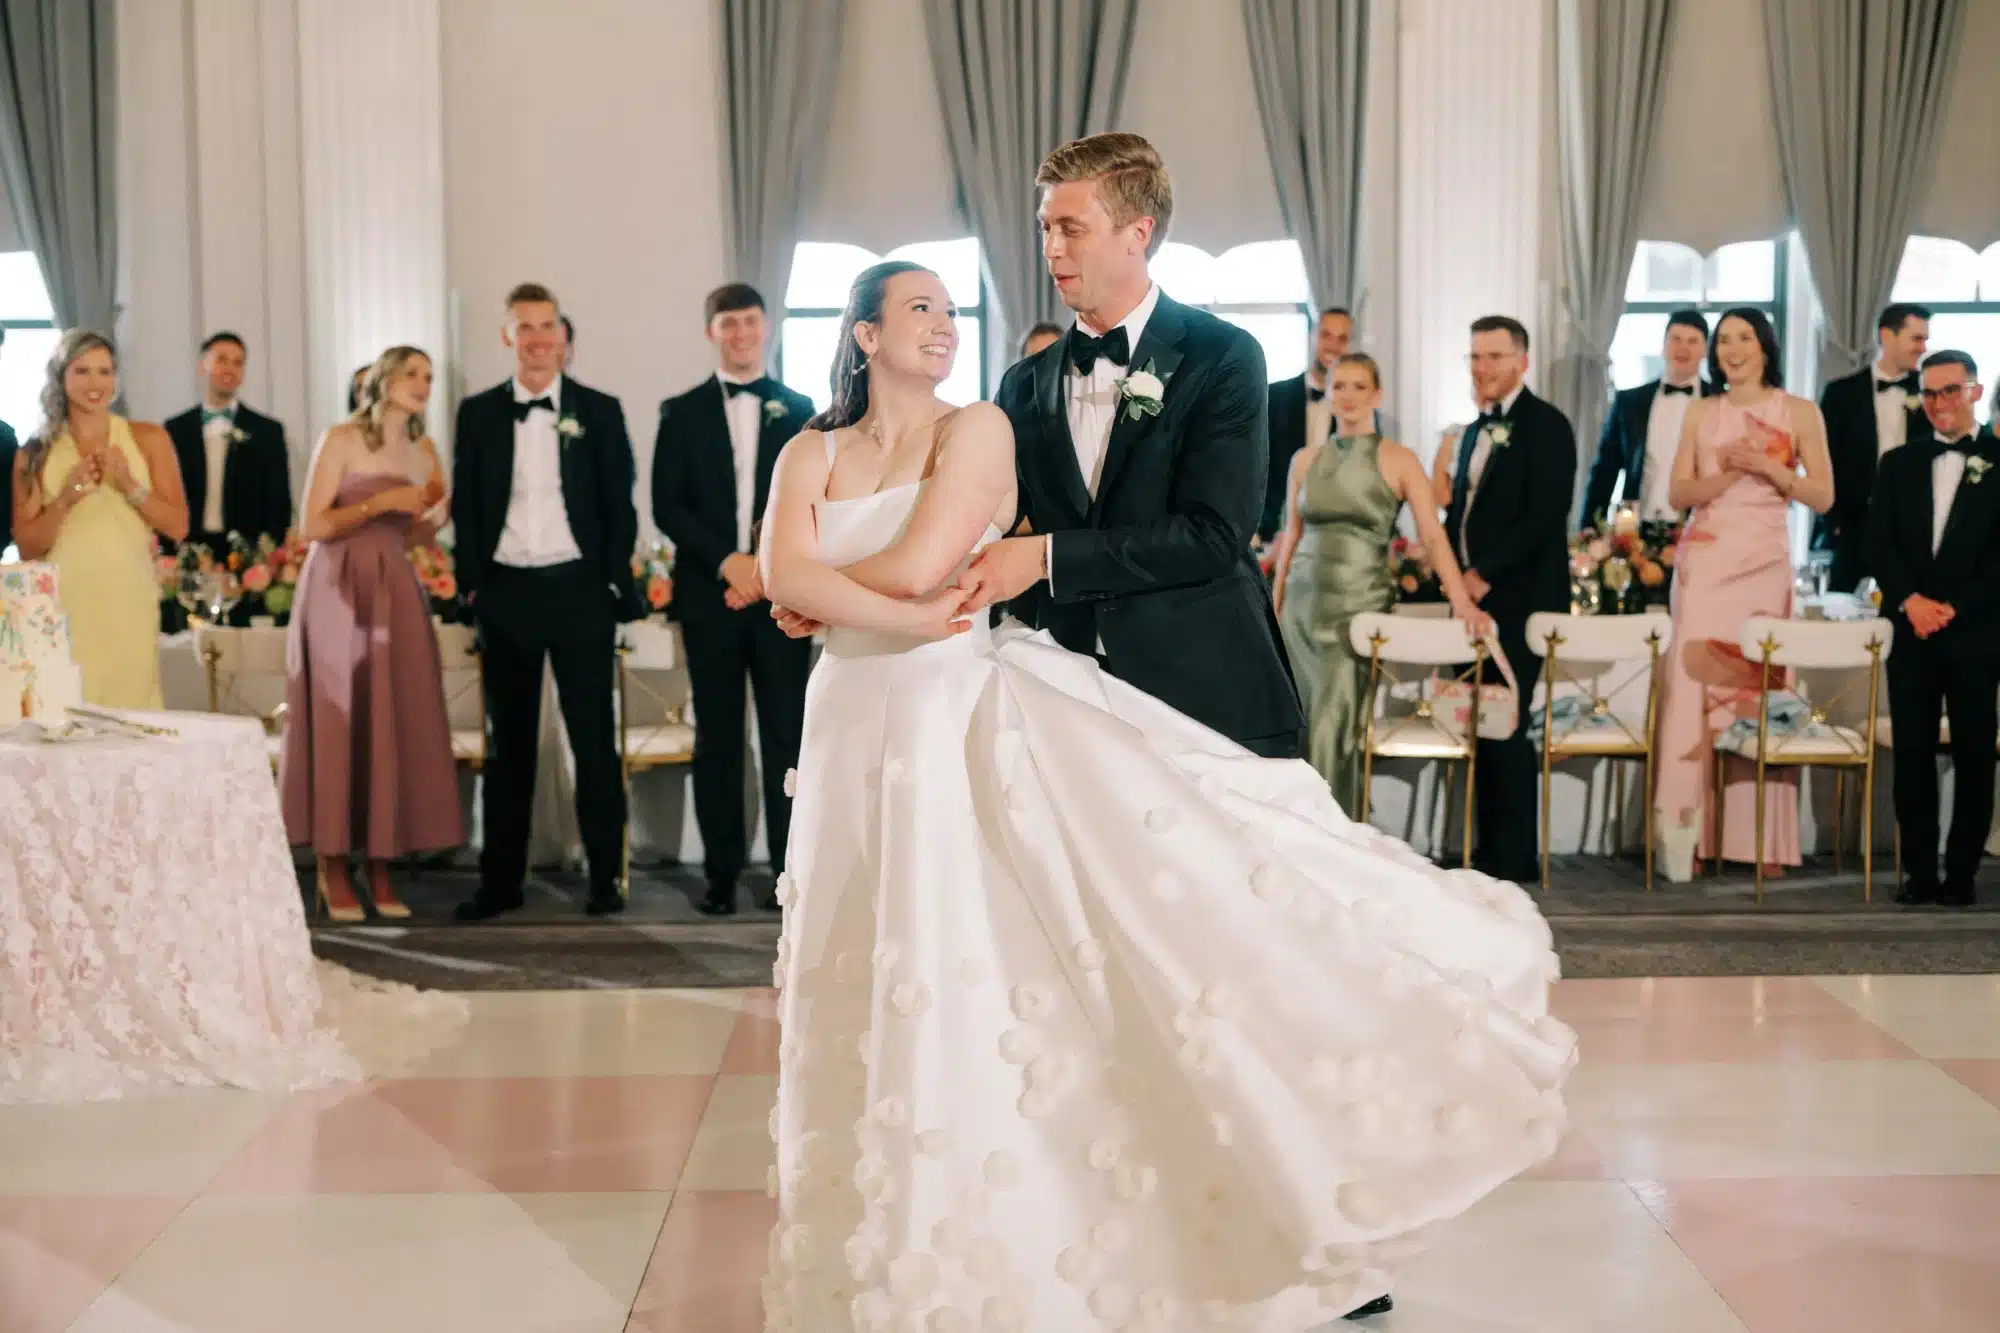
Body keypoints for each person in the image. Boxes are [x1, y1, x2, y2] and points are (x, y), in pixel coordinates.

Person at [755, 252, 1573, 1331]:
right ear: (863, 333)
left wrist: (839, 597)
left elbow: (969, 562)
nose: (952, 319)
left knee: (1210, 947)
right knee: (957, 967)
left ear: (1131, 231)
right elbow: (791, 573)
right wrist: (827, 593)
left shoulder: (1149, 378)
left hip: (1151, 688)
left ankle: (1313, 1213)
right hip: (889, 717)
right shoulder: (987, 399)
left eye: (1068, 227)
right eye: (922, 308)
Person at [953, 132, 1303, 759]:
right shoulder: (1023, 383)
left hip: (1204, 691)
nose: (1051, 249)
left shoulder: (1222, 356)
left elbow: (1214, 535)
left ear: (1138, 232)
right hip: (1063, 695)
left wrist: (1046, 558)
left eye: (1072, 229)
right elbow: (994, 520)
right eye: (1045, 228)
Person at [449, 283, 646, 920]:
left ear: (563, 336)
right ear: (507, 336)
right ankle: (500, 882)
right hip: (506, 591)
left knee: (592, 740)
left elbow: (619, 503)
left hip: (580, 590)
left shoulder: (600, 410)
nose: (537, 339)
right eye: (524, 327)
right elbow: (466, 504)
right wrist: (473, 584)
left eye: (546, 326)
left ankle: (606, 878)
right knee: (508, 746)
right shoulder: (478, 413)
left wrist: (611, 578)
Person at [652, 283, 816, 916]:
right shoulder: (680, 411)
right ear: (711, 332)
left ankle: (787, 875)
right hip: (709, 597)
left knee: (785, 737)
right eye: (728, 323)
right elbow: (667, 504)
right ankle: (720, 874)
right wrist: (729, 563)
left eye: (750, 321)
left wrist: (765, 569)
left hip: (782, 598)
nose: (741, 333)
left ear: (766, 326)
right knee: (717, 739)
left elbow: (814, 499)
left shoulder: (800, 407)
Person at [280, 346, 461, 920]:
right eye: (411, 374)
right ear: (382, 381)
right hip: (337, 586)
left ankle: (382, 863)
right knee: (341, 718)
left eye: (428, 376)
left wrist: (433, 520)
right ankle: (332, 864)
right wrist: (382, 501)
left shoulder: (426, 451)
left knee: (394, 716)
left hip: (394, 586)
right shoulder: (340, 439)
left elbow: (412, 536)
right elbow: (312, 525)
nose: (422, 384)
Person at [1653, 308, 1834, 878]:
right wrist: (1730, 476)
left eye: (1744, 338)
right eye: (1724, 340)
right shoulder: (1701, 411)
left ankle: (1759, 842)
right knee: (1693, 695)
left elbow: (1823, 496)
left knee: (1758, 692)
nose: (1732, 350)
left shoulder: (1799, 411)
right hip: (1705, 566)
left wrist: (1765, 466)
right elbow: (1679, 492)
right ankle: (1689, 838)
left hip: (1764, 566)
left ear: (1765, 346)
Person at [1272, 352, 1490, 811]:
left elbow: (1433, 536)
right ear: (1329, 393)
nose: (1348, 396)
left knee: (1335, 724)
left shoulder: (1400, 459)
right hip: (1301, 608)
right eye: (1339, 386)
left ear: (1377, 395)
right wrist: (1274, 604)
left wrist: (1461, 602)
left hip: (1358, 610)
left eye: (1359, 386)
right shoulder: (1304, 460)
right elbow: (1290, 535)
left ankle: (1334, 828)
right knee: (1298, 722)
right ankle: (1296, 829)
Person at [1443, 316, 1576, 885]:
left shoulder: (1547, 425)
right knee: (1479, 718)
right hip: (1472, 601)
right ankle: (1485, 850)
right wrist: (1449, 574)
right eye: (1475, 357)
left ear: (1523, 361)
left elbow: (1545, 515)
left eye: (1494, 356)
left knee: (1507, 721)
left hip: (1521, 599)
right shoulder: (1474, 429)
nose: (1483, 367)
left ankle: (1513, 857)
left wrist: (1483, 575)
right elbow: (1459, 512)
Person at [1870, 350, 1997, 908]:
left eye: (1950, 390)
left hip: (1978, 636)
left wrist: (1955, 608)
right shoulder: (1897, 463)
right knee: (1913, 757)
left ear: (1974, 392)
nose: (1940, 403)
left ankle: (1962, 875)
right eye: (1929, 393)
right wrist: (1911, 601)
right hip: (1912, 633)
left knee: (1974, 756)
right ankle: (1920, 873)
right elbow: (1880, 543)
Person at [9, 331, 189, 708]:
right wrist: (66, 498)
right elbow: (27, 547)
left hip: (129, 599)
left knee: (133, 711)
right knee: (67, 711)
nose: (95, 383)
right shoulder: (35, 453)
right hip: (63, 606)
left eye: (104, 372)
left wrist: (129, 485)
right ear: (60, 377)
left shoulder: (148, 438)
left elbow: (177, 525)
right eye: (82, 371)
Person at [1817, 303, 1933, 591]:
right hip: (1855, 527)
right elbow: (1823, 457)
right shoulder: (1841, 393)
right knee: (1841, 606)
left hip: (1913, 527)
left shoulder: (1930, 394)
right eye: (1916, 339)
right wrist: (1835, 521)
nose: (1922, 348)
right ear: (1887, 336)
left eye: (1925, 340)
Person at [1578, 309, 1714, 526]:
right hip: (1638, 527)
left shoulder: (1719, 401)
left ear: (1705, 350)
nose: (1683, 348)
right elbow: (1605, 470)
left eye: (1692, 341)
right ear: (1663, 345)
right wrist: (1588, 528)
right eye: (1676, 339)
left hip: (1701, 526)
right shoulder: (1629, 402)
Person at [163, 332, 295, 554]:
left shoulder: (267, 431)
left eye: (238, 363)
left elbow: (279, 502)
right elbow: (165, 495)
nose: (230, 369)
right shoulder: (175, 429)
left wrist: (268, 554)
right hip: (187, 548)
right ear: (202, 366)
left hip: (247, 552)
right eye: (221, 360)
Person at [1262, 305, 1354, 541]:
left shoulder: (1357, 409)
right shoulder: (1272, 398)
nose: (1333, 346)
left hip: (1335, 537)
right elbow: (1253, 468)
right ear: (1311, 337)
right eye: (1326, 335)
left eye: (1342, 339)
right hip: (1274, 534)